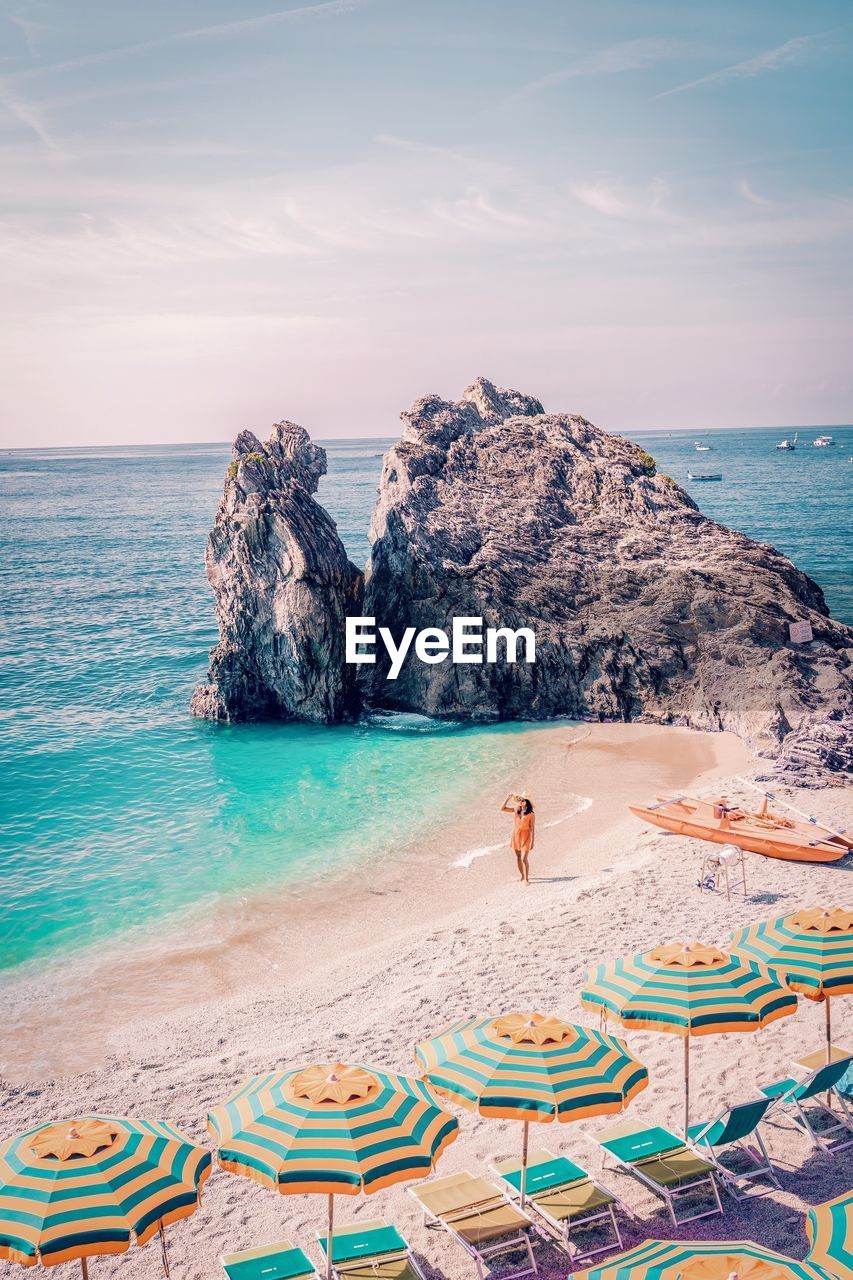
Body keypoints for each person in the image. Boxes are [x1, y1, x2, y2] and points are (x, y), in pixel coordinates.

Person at [501, 793, 535, 885]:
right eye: (519, 800)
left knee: (524, 858)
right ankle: (522, 875)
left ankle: (526, 879)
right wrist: (507, 798)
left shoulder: (531, 814)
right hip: (516, 835)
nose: (520, 801)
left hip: (526, 836)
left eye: (523, 800)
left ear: (527, 802)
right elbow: (502, 809)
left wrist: (532, 841)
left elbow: (532, 828)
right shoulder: (516, 809)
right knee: (518, 857)